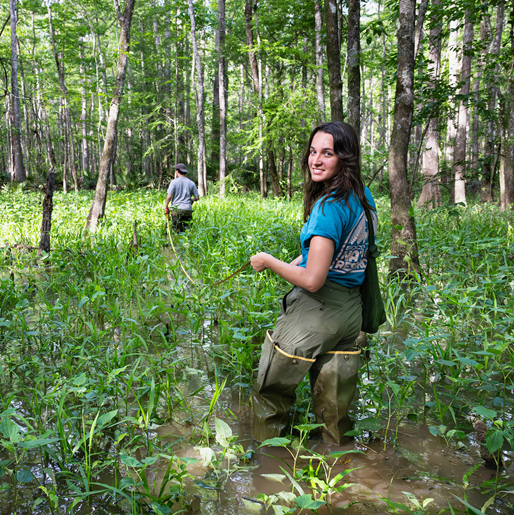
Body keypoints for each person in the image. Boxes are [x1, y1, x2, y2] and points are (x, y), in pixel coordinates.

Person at [250, 121, 377, 445]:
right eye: (312, 151)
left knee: (270, 396)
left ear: (344, 158)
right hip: (352, 314)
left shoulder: (327, 207)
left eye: (328, 153)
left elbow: (313, 279)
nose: (316, 160)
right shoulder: (362, 196)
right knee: (334, 411)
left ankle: (267, 470)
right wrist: (302, 258)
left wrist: (268, 261)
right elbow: (346, 250)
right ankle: (343, 475)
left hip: (316, 315)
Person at [164, 163, 200, 232]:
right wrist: (192, 199)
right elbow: (197, 197)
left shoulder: (173, 182)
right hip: (187, 210)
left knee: (177, 231)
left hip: (176, 210)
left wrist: (166, 205)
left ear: (177, 171)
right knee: (187, 231)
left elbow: (169, 196)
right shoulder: (191, 183)